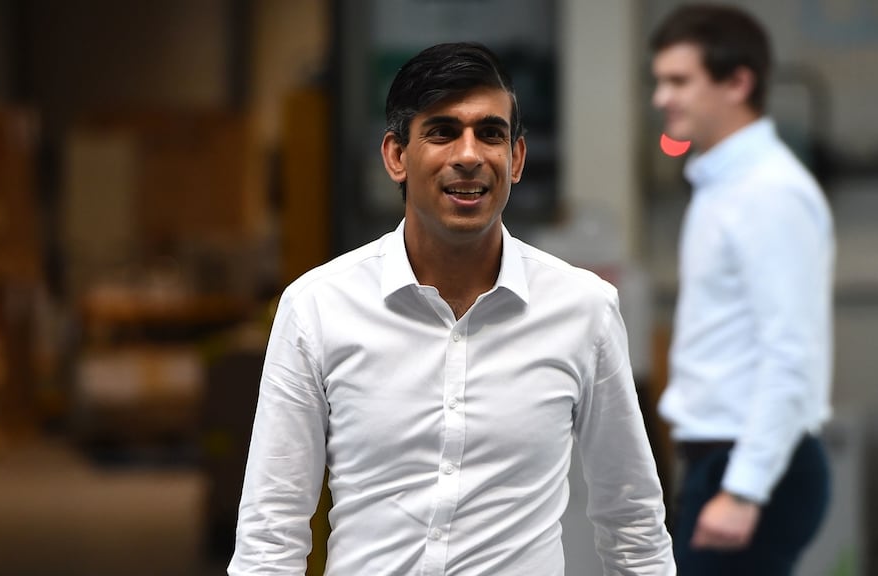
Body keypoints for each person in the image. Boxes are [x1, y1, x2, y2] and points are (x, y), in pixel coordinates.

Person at [228, 42, 675, 575]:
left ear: (516, 158)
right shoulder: (317, 307)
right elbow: (270, 530)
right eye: (442, 132)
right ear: (396, 156)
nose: (468, 155)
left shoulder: (583, 309)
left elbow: (632, 519)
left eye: (490, 133)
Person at [650, 4, 835, 575]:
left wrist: (744, 488)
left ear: (737, 82)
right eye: (660, 81)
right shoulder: (722, 185)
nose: (661, 97)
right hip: (723, 459)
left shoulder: (768, 192)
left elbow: (791, 351)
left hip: (752, 467)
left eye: (679, 81)